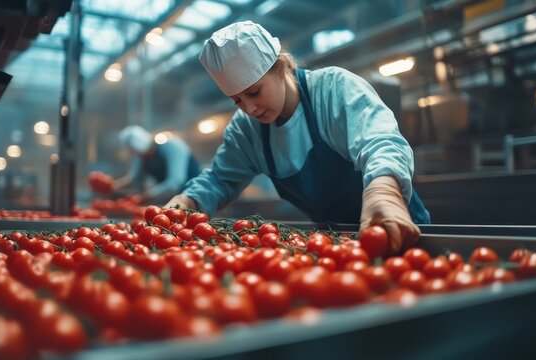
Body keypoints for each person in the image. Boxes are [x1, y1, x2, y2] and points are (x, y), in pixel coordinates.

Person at [165, 21, 430, 254]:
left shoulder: (333, 90)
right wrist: (187, 201)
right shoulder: (247, 130)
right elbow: (220, 180)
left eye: (255, 92)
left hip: (399, 231)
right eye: (237, 101)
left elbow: (381, 141)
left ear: (280, 66)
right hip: (336, 248)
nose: (250, 108)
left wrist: (383, 191)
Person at [112, 125, 201, 205]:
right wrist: (113, 186)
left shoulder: (172, 146)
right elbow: (136, 179)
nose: (145, 159)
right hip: (173, 202)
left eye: (146, 155)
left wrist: (146, 196)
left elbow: (175, 183)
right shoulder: (143, 157)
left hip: (194, 196)